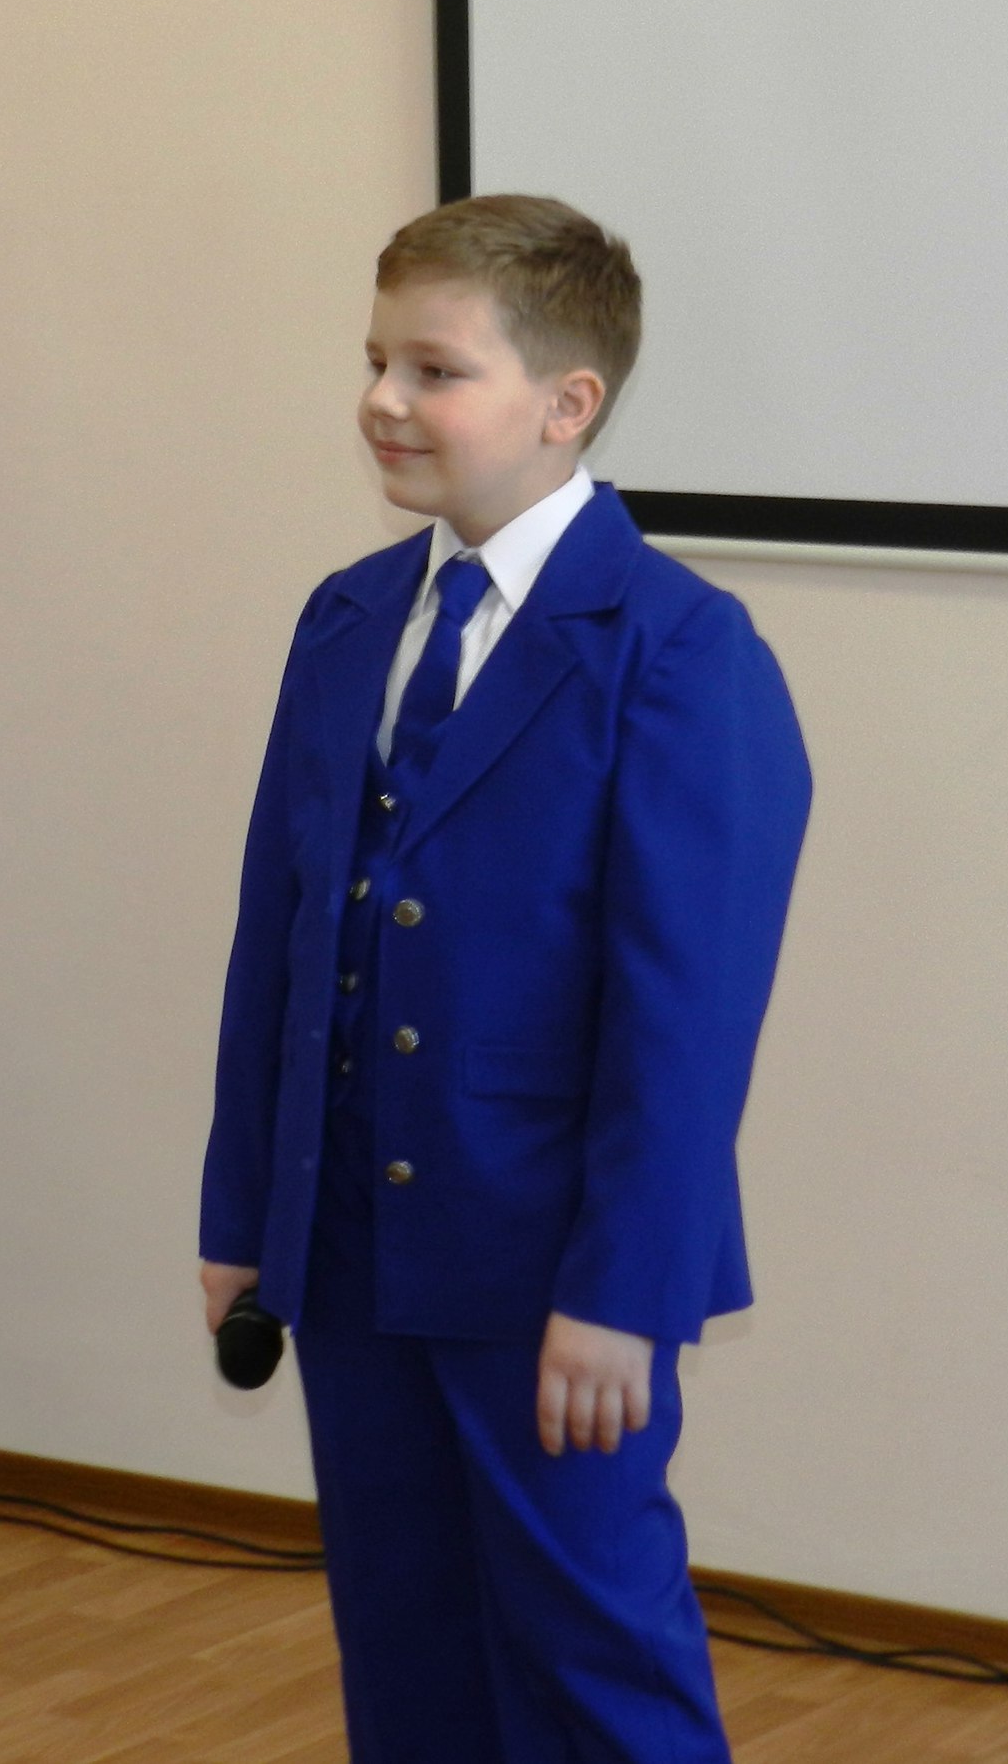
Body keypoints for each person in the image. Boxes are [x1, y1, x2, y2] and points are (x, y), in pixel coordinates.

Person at [198, 196, 811, 1764]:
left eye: (435, 370)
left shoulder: (677, 649)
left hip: (546, 1262)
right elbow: (277, 939)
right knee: (404, 1636)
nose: (384, 401)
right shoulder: (348, 620)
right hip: (348, 1237)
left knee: (593, 1650)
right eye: (375, 361)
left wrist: (624, 1292)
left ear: (567, 402)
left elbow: (685, 1026)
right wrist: (244, 1215)